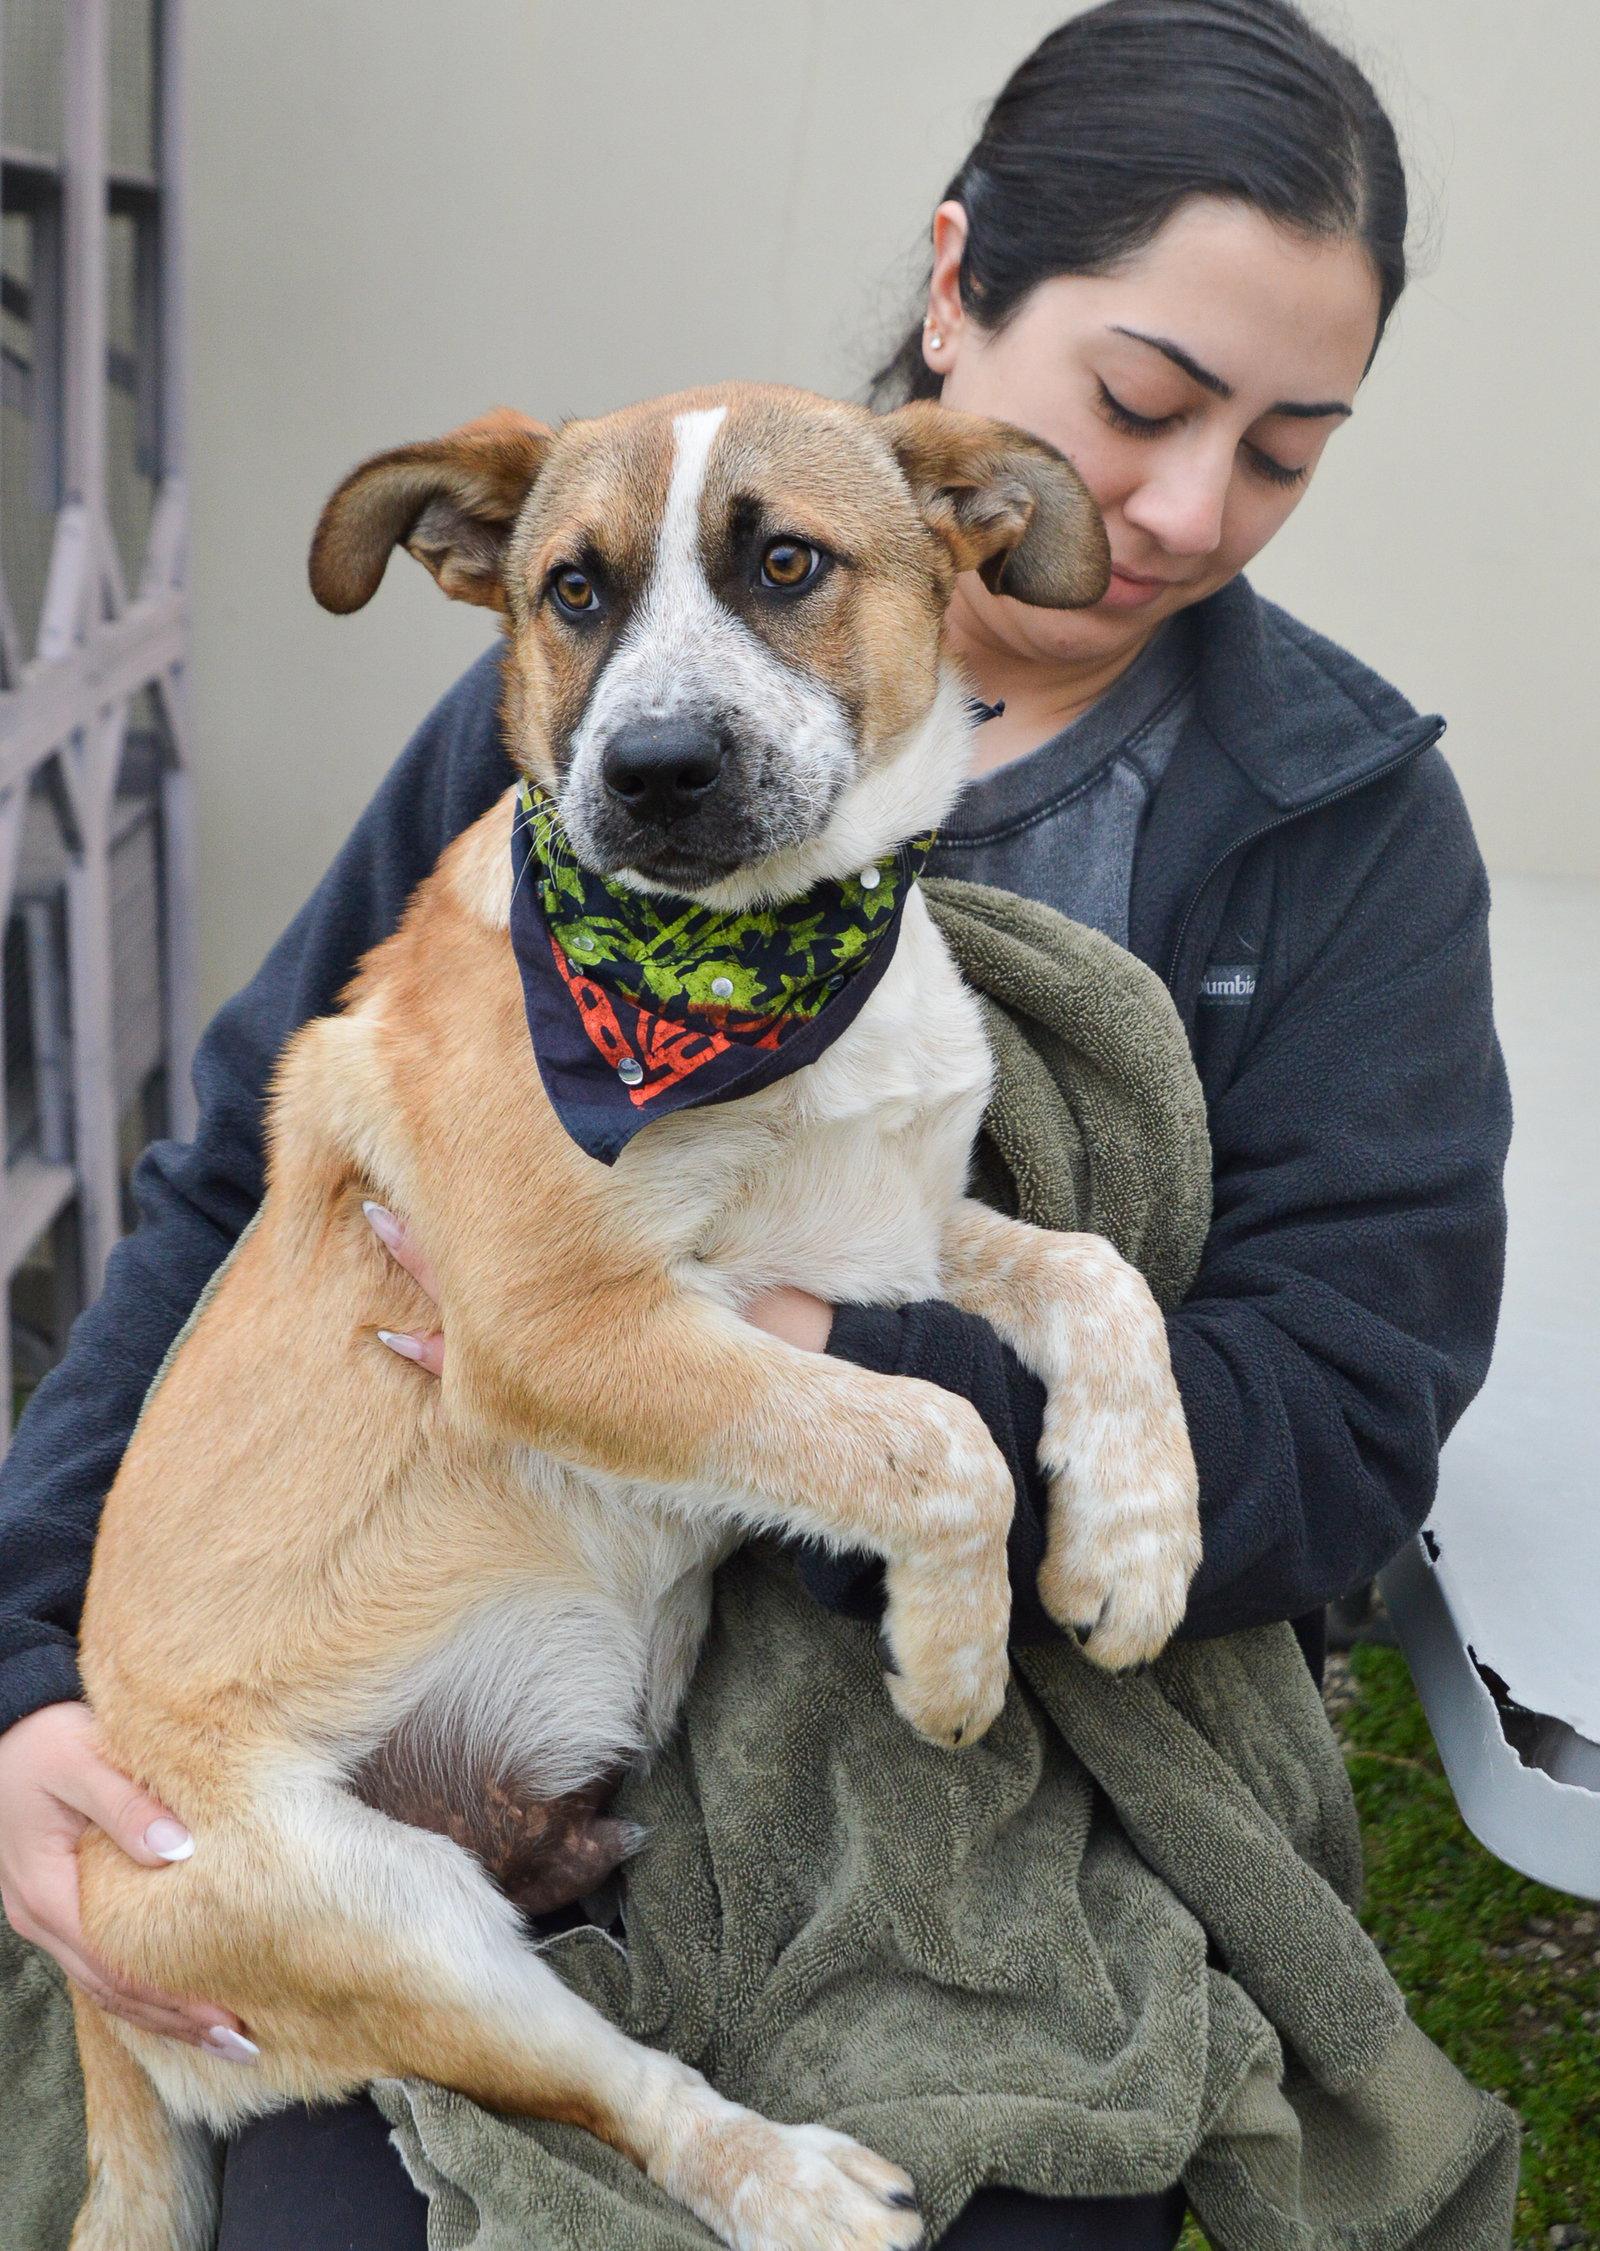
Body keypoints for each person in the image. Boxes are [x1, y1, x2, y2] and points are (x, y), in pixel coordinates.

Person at [0, 2, 1511, 2245]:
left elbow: (1345, 1421)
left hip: (981, 1751)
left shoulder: (1337, 822)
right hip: (434, 1665)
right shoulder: (571, 754)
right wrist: (25, 1679)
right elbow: (238, 1177)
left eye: (1285, 450)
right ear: (956, 288)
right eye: (1140, 403)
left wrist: (816, 1355)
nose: (1191, 506)